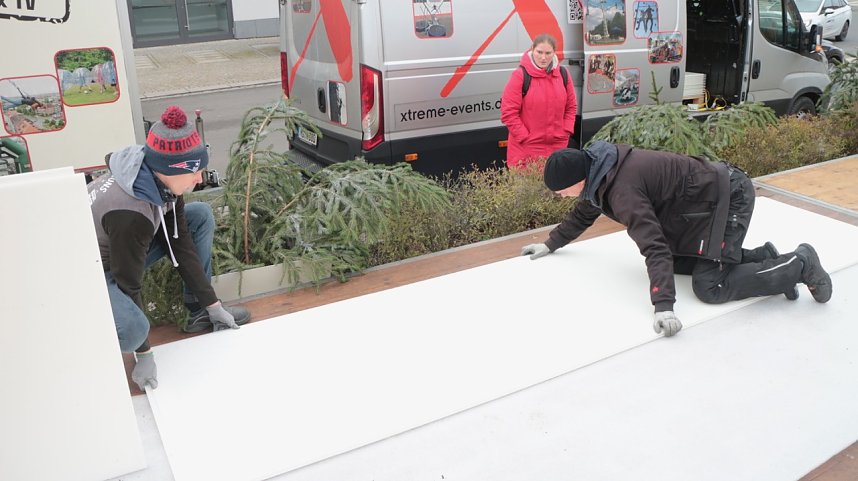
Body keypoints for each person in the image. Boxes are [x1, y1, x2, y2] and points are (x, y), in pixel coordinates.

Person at [521, 141, 833, 337]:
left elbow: (653, 244)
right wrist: (550, 244)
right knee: (680, 261)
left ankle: (799, 263)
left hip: (728, 196)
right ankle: (766, 260)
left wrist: (663, 306)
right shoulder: (600, 168)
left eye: (559, 190)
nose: (559, 196)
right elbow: (583, 213)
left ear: (578, 180)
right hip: (702, 206)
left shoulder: (622, 190)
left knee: (710, 286)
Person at [89, 105, 251, 390]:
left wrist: (211, 305)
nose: (200, 178)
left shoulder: (159, 182)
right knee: (132, 330)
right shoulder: (132, 213)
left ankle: (197, 311)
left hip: (119, 249)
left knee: (199, 215)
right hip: (90, 271)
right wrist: (144, 354)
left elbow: (180, 242)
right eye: (196, 172)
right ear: (172, 170)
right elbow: (129, 284)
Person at [501, 33, 578, 171]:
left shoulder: (563, 74)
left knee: (554, 191)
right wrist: (524, 137)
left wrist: (565, 130)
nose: (543, 57)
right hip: (526, 149)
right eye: (539, 52)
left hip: (556, 146)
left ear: (554, 53)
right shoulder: (520, 75)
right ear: (532, 50)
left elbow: (571, 106)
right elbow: (508, 113)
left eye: (548, 53)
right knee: (528, 191)